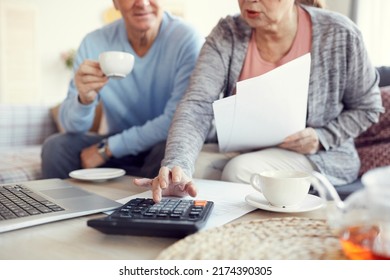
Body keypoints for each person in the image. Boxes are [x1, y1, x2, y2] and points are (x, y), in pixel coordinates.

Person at [134, 0, 384, 202]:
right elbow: (197, 105)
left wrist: (323, 136)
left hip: (322, 153)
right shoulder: (227, 34)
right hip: (246, 147)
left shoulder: (340, 34)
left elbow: (369, 107)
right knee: (186, 174)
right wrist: (177, 164)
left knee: (239, 171)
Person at [41, 0, 204, 179]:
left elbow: (178, 120)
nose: (142, 3)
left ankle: (143, 205)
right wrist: (84, 99)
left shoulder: (186, 39)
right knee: (56, 148)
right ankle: (68, 206)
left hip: (161, 142)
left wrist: (108, 148)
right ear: (115, 3)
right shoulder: (94, 42)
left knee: (168, 153)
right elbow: (71, 127)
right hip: (119, 140)